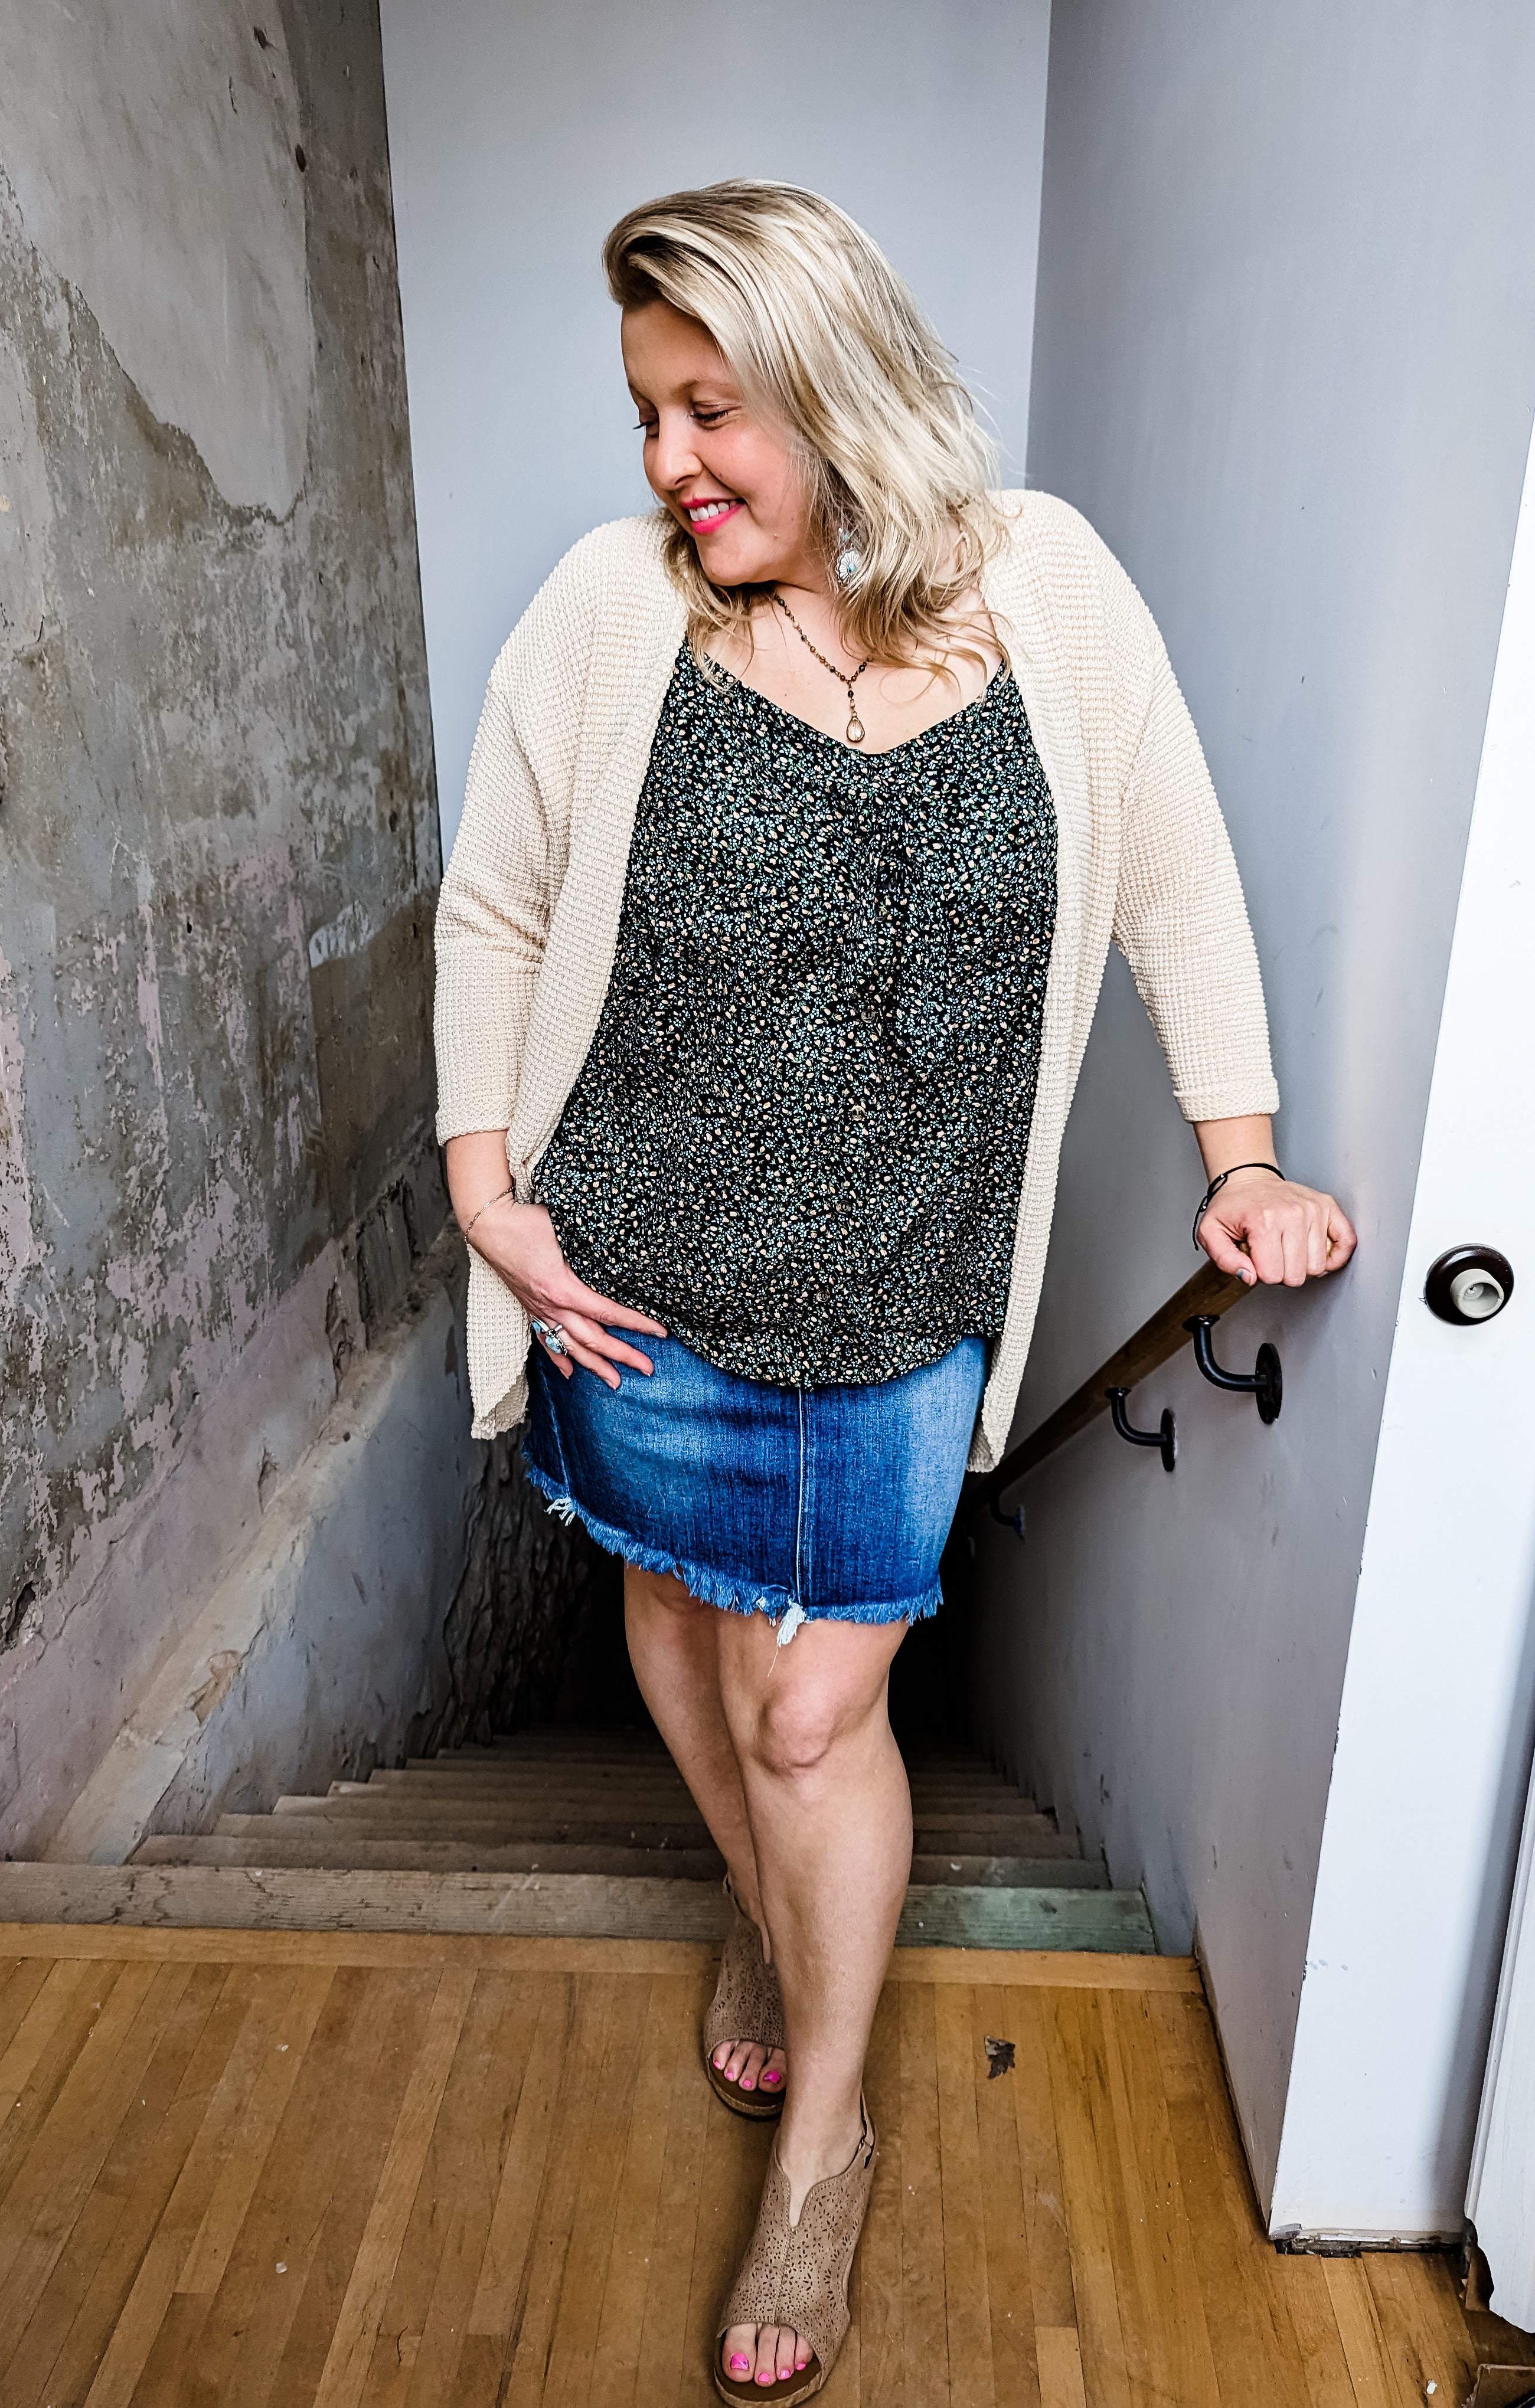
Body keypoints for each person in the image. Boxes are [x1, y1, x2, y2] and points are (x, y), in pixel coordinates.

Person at [434, 179, 1356, 2404]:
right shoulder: (613, 609)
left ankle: (823, 2141)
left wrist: (1241, 1160)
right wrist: (487, 1194)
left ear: (835, 379)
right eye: (647, 413)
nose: (668, 462)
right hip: (633, 1282)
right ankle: (770, 1921)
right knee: (681, 1620)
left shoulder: (1056, 594)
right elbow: (498, 903)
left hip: (908, 1307)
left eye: (709, 407)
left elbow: (1175, 873)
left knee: (810, 1712)